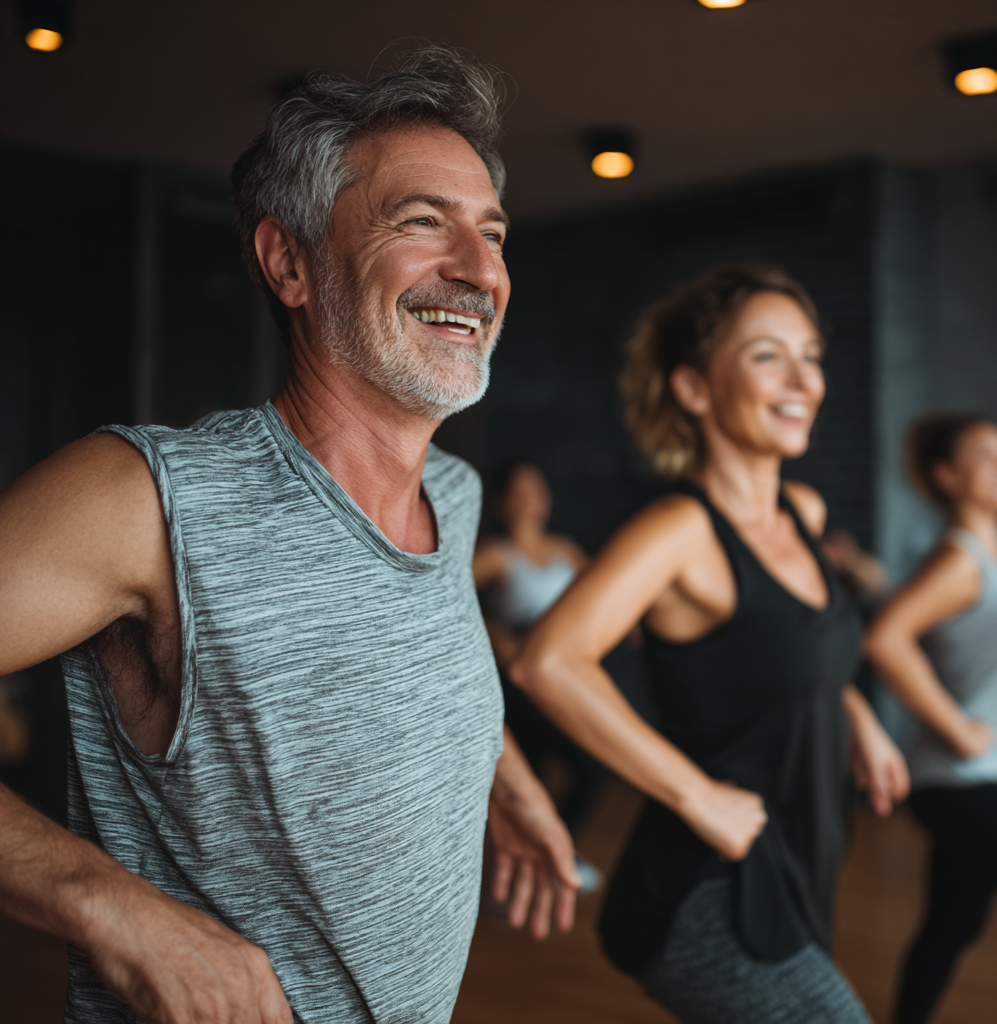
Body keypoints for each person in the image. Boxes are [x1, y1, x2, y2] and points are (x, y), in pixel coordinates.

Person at [0, 46, 580, 1024]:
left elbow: (411, 658)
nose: (481, 272)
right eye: (422, 222)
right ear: (289, 262)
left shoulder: (459, 492)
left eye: (492, 232)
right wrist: (116, 911)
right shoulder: (147, 496)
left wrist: (500, 774)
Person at [512, 263, 910, 1024]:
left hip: (799, 858)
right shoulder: (679, 533)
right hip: (711, 884)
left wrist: (851, 711)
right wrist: (698, 796)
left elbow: (787, 647)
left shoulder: (804, 511)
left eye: (811, 354)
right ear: (694, 389)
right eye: (767, 356)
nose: (803, 379)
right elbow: (549, 663)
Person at [864, 414, 997, 1024]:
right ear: (946, 475)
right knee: (951, 926)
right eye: (985, 455)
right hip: (962, 779)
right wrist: (959, 729)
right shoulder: (961, 561)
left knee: (952, 925)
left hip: (990, 778)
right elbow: (885, 638)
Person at [474, 463, 604, 889]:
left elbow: (604, 594)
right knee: (585, 768)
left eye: (538, 489)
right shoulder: (495, 555)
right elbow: (445, 598)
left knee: (545, 775)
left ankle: (542, 866)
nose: (532, 499)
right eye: (521, 491)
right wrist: (495, 635)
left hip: (568, 679)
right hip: (521, 686)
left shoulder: (565, 549)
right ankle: (550, 860)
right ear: (502, 502)